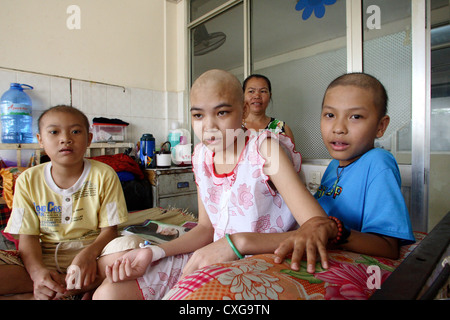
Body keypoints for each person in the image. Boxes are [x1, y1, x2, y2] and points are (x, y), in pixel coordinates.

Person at [92, 69, 339, 300]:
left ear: (243, 111)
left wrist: (235, 243)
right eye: (198, 115)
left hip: (265, 260)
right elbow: (206, 229)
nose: (208, 127)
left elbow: (317, 228)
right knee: (108, 293)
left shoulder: (265, 150)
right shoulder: (200, 156)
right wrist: (156, 252)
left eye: (221, 113)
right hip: (217, 253)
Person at [274, 73, 415, 267]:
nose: (339, 128)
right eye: (330, 115)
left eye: (355, 116)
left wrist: (335, 230)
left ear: (381, 126)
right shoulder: (334, 166)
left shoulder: (378, 162)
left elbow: (387, 247)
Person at [0, 105, 128, 300]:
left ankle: (48, 292)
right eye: (54, 132)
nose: (65, 139)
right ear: (40, 140)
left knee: (131, 251)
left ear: (89, 139)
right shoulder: (27, 180)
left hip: (94, 255)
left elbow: (110, 230)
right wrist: (38, 274)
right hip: (45, 256)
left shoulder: (104, 175)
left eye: (76, 131)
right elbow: (28, 237)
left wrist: (87, 256)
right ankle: (64, 287)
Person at [242, 74, 296, 144]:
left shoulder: (282, 128)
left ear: (270, 95)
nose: (257, 96)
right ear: (242, 95)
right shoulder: (234, 125)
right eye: (251, 91)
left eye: (263, 91)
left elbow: (291, 154)